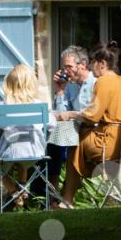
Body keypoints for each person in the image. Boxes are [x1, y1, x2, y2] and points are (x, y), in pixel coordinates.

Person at [56, 40, 121, 208]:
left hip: (107, 143)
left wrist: (71, 114)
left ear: (102, 63)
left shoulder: (104, 82)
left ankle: (68, 197)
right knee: (79, 141)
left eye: (93, 63)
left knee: (73, 143)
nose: (91, 68)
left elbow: (92, 116)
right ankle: (71, 191)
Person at [0, 63, 51, 208]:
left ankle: (14, 191)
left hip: (9, 153)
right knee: (23, 152)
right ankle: (23, 188)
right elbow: (51, 125)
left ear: (9, 85)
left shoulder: (4, 107)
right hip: (36, 152)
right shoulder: (40, 105)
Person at [49, 45, 96, 190]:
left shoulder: (97, 84)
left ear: (82, 65)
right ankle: (52, 193)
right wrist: (61, 89)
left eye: (69, 67)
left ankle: (67, 191)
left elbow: (94, 116)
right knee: (51, 147)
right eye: (64, 67)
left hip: (92, 133)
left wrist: (71, 115)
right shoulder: (71, 86)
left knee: (66, 148)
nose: (66, 71)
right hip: (73, 134)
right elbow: (61, 114)